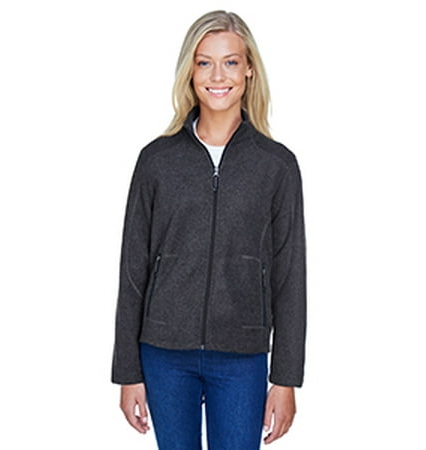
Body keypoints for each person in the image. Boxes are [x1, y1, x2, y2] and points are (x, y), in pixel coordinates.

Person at [111, 10, 307, 449]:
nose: (218, 76)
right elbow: (132, 271)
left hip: (241, 358)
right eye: (205, 62)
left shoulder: (276, 166)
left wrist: (286, 379)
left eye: (231, 62)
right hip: (163, 354)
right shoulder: (157, 161)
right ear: (190, 71)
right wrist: (127, 372)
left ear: (249, 69)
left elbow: (290, 278)